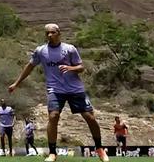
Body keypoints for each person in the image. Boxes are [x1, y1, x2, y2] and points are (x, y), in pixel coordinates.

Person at [8, 24, 108, 162]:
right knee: (53, 116)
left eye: (52, 32)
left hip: (75, 88)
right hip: (55, 89)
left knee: (89, 117)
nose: (50, 35)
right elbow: (30, 66)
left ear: (59, 33)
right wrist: (16, 83)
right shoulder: (41, 50)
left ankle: (99, 148)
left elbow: (81, 67)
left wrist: (70, 68)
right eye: (47, 33)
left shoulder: (69, 49)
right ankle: (52, 153)